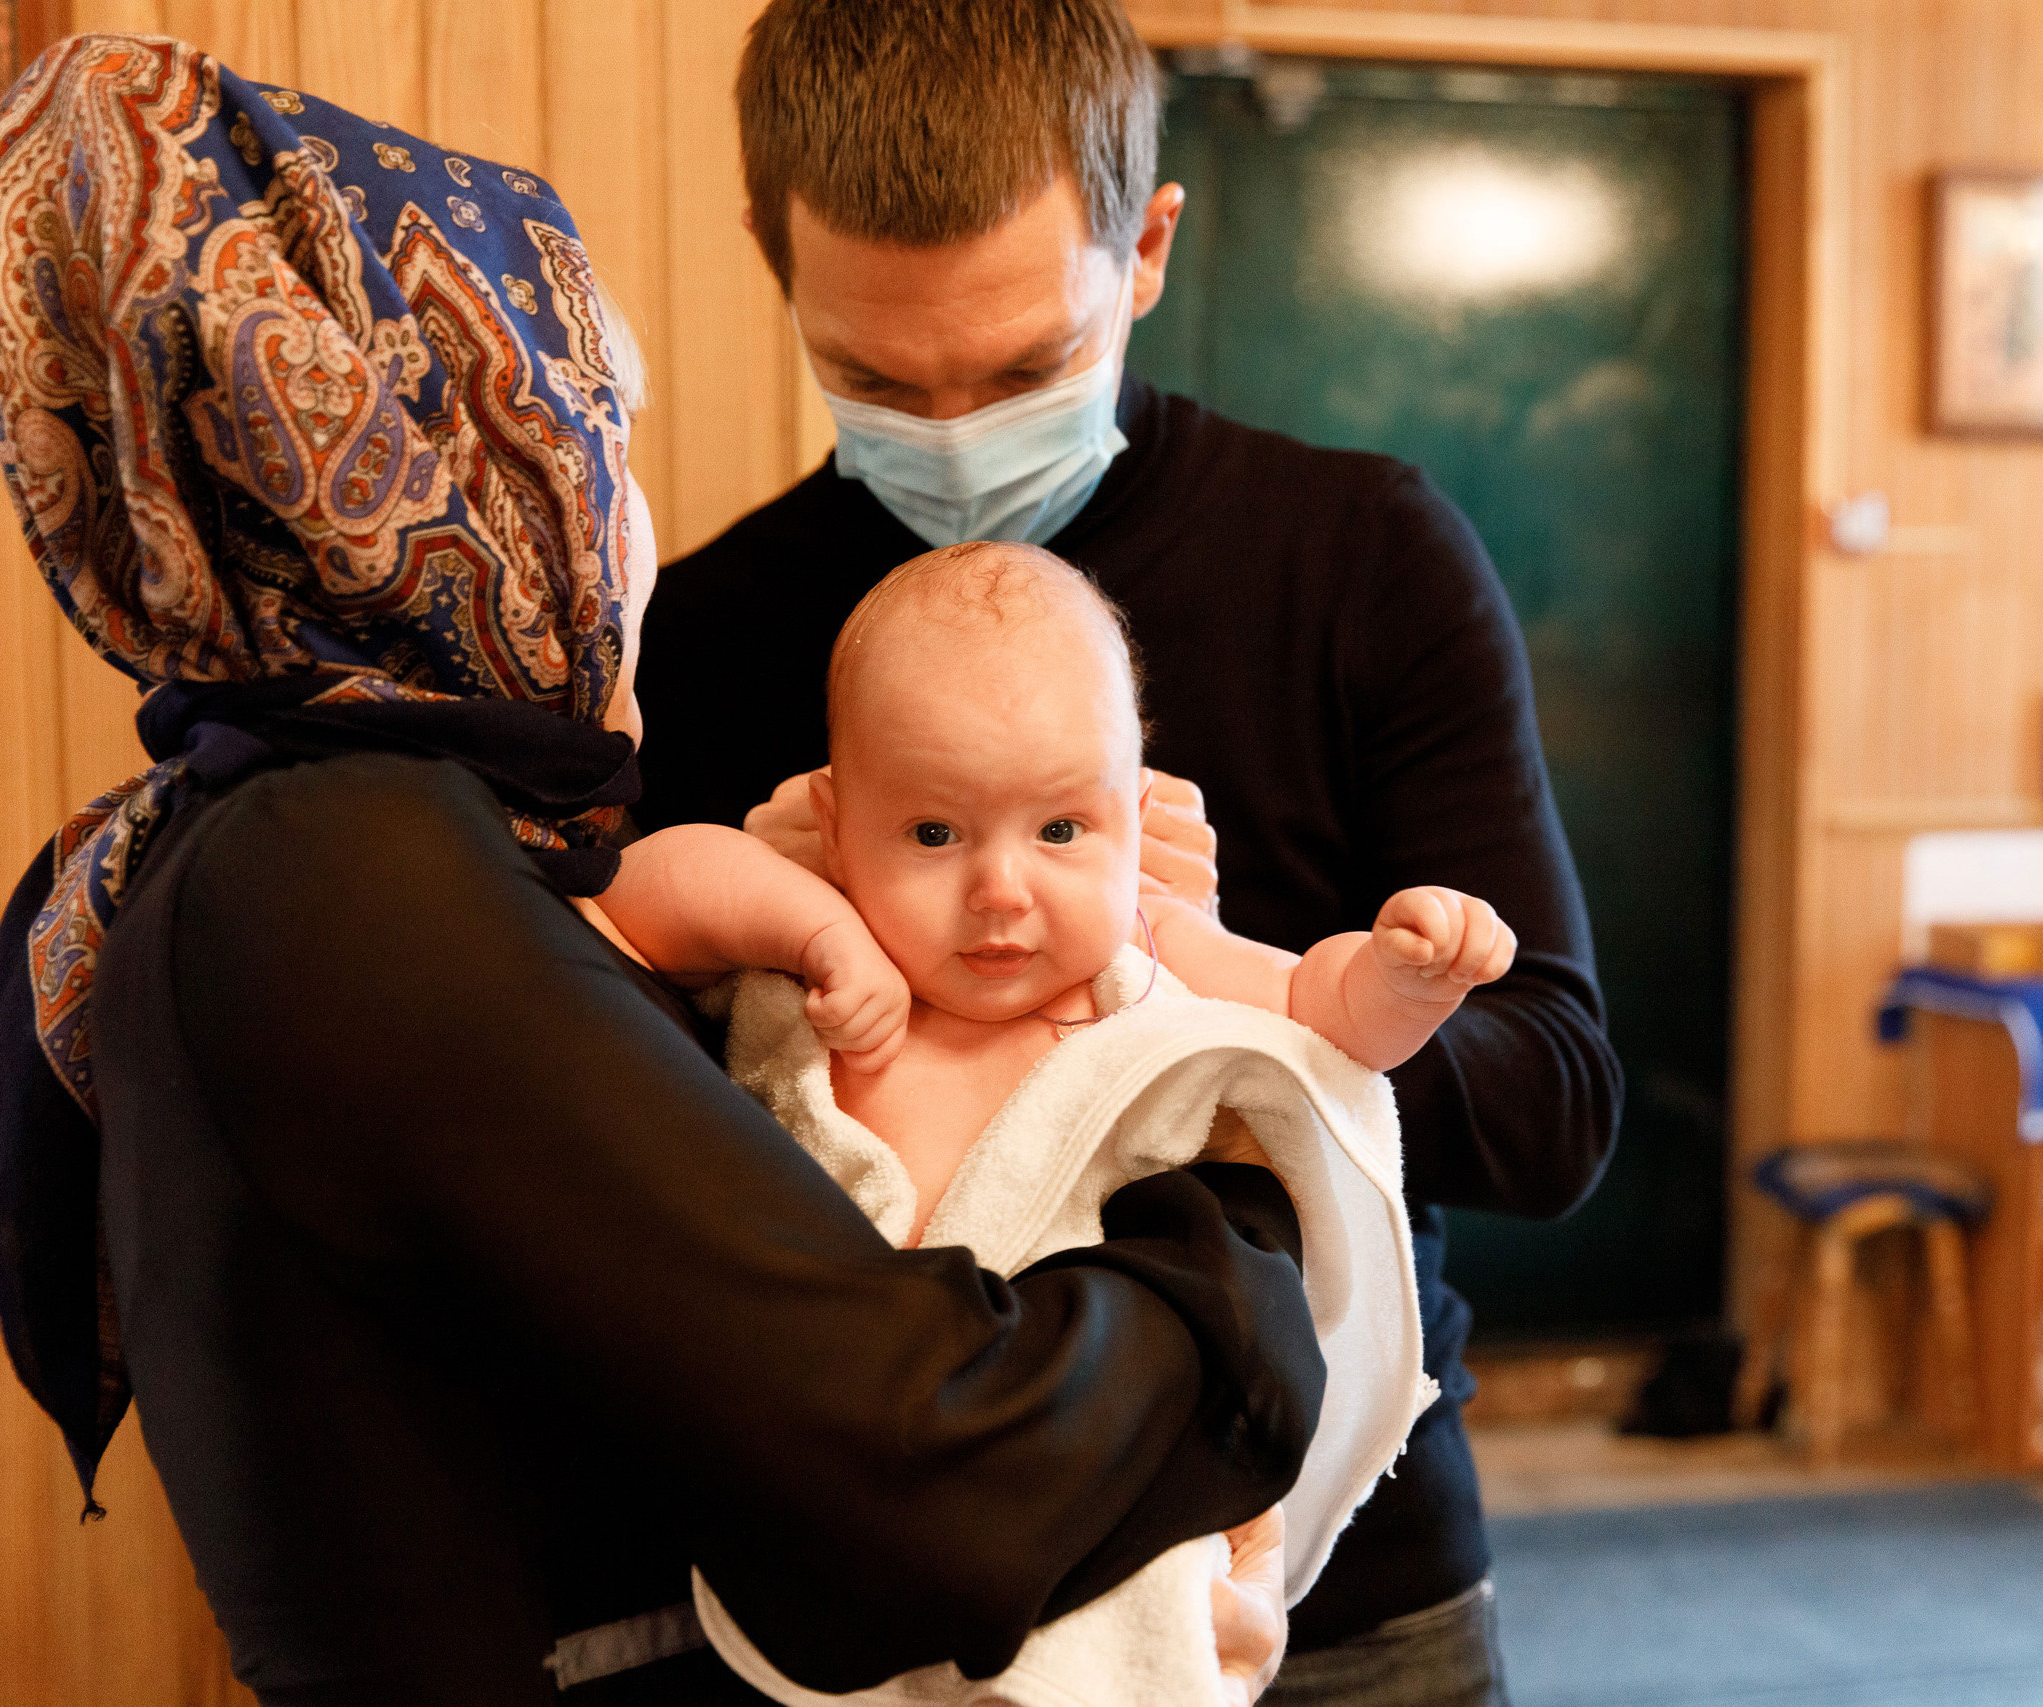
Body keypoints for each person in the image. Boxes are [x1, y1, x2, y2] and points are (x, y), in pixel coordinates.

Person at [0, 36, 1322, 1707]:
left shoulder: (364, 834)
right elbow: (929, 1487)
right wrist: (1239, 1250)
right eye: (598, 424)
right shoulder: (346, 870)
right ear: (476, 463)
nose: (625, 501)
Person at [635, 5, 1627, 1701]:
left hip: (1336, 1591)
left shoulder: (1364, 560)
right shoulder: (715, 628)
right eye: (873, 378)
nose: (950, 433)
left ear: (1148, 246)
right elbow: (648, 1123)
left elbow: (1552, 1105)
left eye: (1024, 367)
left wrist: (1238, 986)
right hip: (891, 1568)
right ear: (772, 256)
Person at [603, 539, 1498, 1702]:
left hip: (1101, 1456)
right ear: (833, 816)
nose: (1001, 892)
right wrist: (808, 924)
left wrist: (1403, 977)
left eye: (1062, 831)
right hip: (865, 1457)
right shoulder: (820, 922)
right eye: (932, 834)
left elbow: (1313, 1017)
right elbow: (633, 896)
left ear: (1136, 816)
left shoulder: (1145, 942)